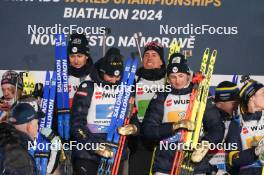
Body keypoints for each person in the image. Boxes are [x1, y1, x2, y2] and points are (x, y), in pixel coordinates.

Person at [70, 47, 138, 175]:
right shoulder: (88, 87)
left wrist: (133, 128)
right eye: (110, 76)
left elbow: (133, 118)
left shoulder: (126, 89)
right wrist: (94, 147)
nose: (114, 80)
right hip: (87, 155)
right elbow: (76, 125)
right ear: (102, 71)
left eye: (118, 77)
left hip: (115, 156)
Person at [142, 52, 209, 174]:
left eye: (181, 76)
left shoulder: (200, 95)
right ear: (167, 78)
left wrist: (206, 143)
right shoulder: (161, 95)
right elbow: (148, 130)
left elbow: (216, 127)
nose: (177, 81)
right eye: (173, 77)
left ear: (188, 75)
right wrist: (174, 126)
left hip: (195, 164)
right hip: (166, 164)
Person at [129, 41, 167, 175]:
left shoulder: (169, 81)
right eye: (146, 55)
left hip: (163, 136)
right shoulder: (134, 79)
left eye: (154, 55)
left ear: (162, 61)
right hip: (140, 138)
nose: (149, 58)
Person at [194, 81, 240, 174]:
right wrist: (214, 171)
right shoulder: (204, 119)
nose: (238, 106)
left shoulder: (232, 121)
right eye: (235, 103)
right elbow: (194, 155)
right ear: (222, 102)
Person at [8, 101, 62, 174]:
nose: (38, 127)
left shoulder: (8, 140)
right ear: (30, 126)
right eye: (37, 123)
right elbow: (48, 171)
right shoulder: (21, 153)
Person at [227, 79, 264, 175]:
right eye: (263, 93)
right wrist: (255, 151)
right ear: (251, 97)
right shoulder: (237, 123)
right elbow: (233, 159)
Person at [67, 33, 93, 108]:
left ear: (86, 56)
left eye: (79, 56)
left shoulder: (95, 76)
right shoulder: (62, 76)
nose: (76, 61)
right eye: (72, 56)